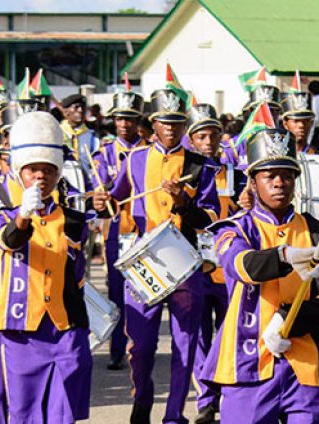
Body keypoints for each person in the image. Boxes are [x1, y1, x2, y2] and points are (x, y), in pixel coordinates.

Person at [92, 87, 220, 424]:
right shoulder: (134, 159)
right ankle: (143, 399)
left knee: (185, 344)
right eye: (166, 122)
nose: (172, 129)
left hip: (185, 262)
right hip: (144, 260)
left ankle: (174, 415)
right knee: (143, 347)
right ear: (153, 123)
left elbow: (211, 218)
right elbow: (115, 199)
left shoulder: (200, 165)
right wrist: (102, 202)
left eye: (178, 123)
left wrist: (182, 204)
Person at [199, 127, 319, 424]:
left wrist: (293, 318)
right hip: (247, 367)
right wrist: (284, 255)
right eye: (269, 176)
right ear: (252, 182)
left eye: (287, 175)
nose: (279, 183)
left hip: (305, 365)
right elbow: (242, 265)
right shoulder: (234, 229)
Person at [0, 111, 92, 423]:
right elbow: (9, 240)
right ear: (20, 172)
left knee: (63, 412)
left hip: (65, 327)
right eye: (33, 171)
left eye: (48, 170)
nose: (41, 177)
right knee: (23, 413)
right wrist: (23, 216)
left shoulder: (73, 218)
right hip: (20, 328)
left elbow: (78, 271)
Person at [185, 103, 247, 424]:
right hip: (198, 263)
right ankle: (206, 401)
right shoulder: (187, 174)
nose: (208, 142)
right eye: (201, 136)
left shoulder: (238, 175)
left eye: (213, 135)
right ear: (192, 140)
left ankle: (230, 393)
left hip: (230, 267)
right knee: (199, 335)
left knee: (231, 332)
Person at [91, 89, 148, 371]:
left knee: (142, 292)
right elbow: (99, 194)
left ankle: (138, 347)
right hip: (116, 229)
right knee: (116, 292)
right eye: (119, 119)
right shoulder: (103, 153)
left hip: (144, 229)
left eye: (130, 118)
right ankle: (116, 349)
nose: (124, 124)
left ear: (139, 120)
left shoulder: (149, 150)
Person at [60, 93, 100, 181]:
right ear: (66, 112)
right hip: (62, 184)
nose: (81, 110)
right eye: (76, 107)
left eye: (83, 107)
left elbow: (96, 163)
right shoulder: (57, 133)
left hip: (86, 185)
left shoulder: (92, 136)